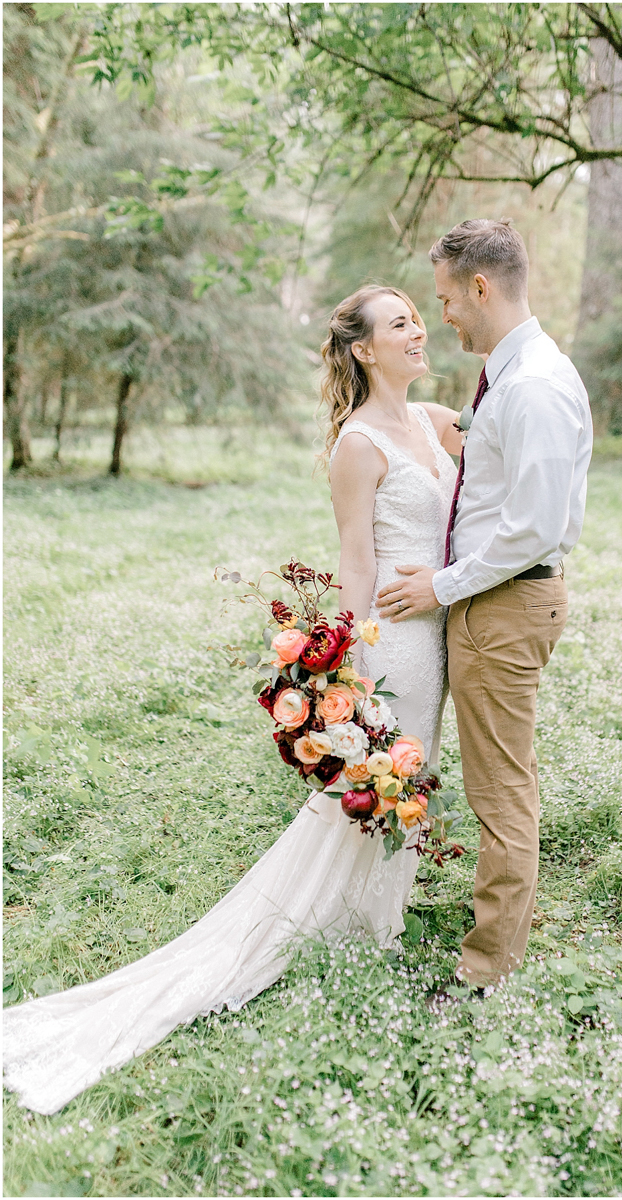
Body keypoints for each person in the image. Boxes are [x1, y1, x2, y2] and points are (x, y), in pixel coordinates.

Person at [3, 285, 459, 1116]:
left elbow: (508, 453)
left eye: (416, 317)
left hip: (444, 630)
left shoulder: (435, 420)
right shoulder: (356, 446)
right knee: (385, 778)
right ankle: (349, 926)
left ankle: (373, 914)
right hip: (397, 644)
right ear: (363, 349)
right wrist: (345, 679)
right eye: (399, 323)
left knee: (410, 780)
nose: (418, 329)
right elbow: (354, 564)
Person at [376, 219, 593, 989]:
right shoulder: (515, 376)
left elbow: (532, 526)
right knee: (499, 780)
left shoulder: (531, 384)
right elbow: (507, 463)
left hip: (504, 604)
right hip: (494, 603)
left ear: (480, 286)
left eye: (445, 299)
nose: (442, 318)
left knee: (500, 792)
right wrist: (458, 425)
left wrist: (439, 584)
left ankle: (486, 966)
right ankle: (495, 944)